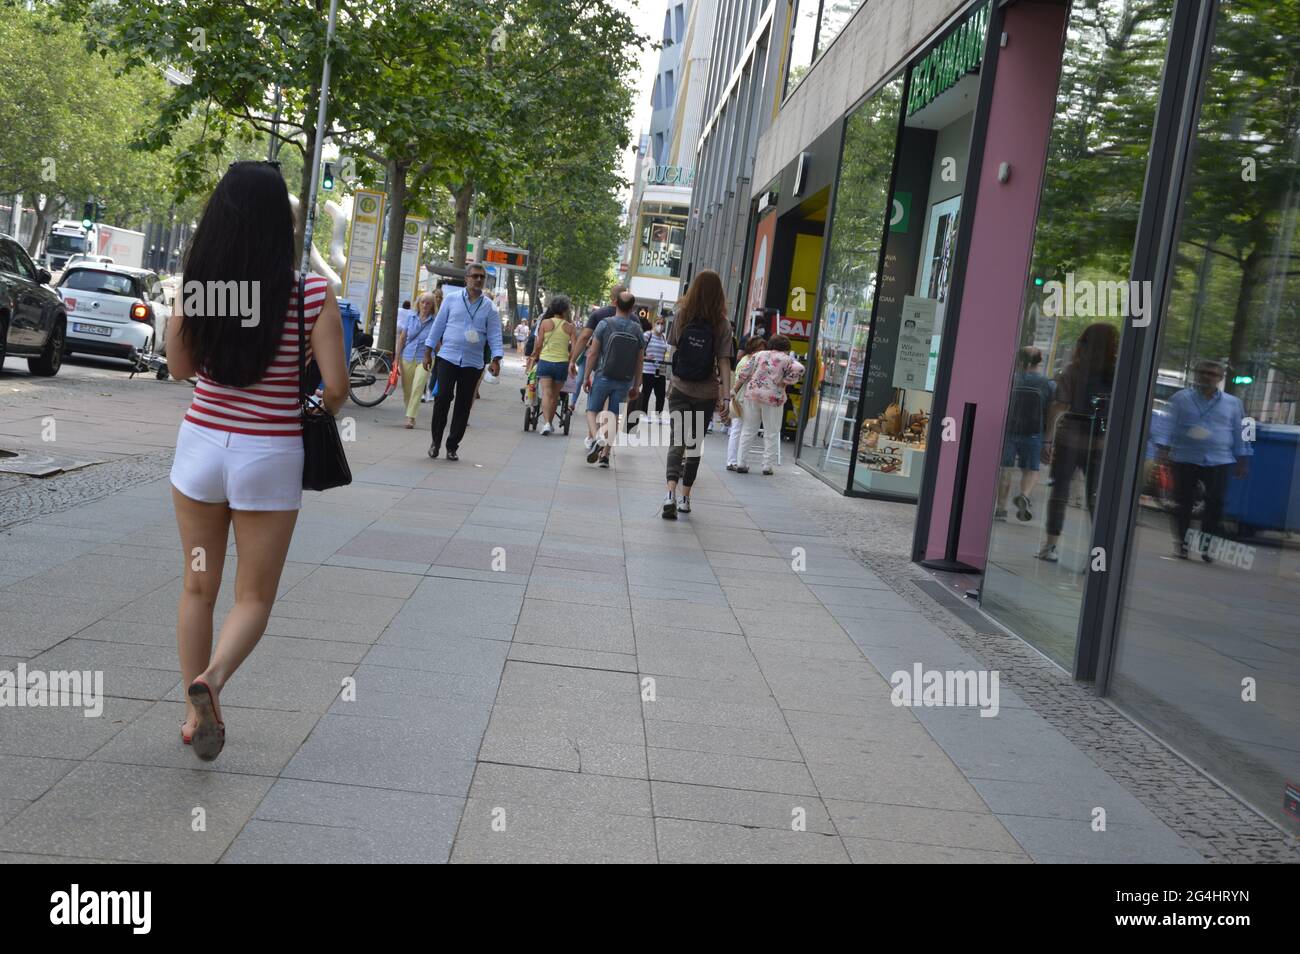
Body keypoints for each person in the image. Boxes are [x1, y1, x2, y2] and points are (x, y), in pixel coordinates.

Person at [164, 161, 347, 762]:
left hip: (200, 456)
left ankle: (195, 720)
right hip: (267, 457)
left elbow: (180, 369)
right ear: (283, 223)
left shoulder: (203, 286)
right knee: (253, 598)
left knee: (197, 586)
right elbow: (338, 388)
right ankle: (212, 682)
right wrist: (309, 404)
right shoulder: (312, 293)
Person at [1038, 322, 1118, 564]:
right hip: (1102, 443)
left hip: (1070, 439)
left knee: (1060, 492)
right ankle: (1099, 555)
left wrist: (1048, 439)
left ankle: (1051, 546)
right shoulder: (1119, 373)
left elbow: (1059, 406)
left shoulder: (1073, 371)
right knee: (1098, 498)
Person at [1159, 359, 1252, 561]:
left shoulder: (1233, 403)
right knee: (1183, 502)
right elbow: (1167, 426)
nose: (1207, 377)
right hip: (1185, 457)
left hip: (1219, 459)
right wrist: (1163, 450)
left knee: (1215, 504)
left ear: (1219, 378)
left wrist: (1243, 458)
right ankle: (1182, 545)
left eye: (1212, 374)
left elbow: (1242, 431)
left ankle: (1206, 546)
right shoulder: (1180, 399)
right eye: (1203, 372)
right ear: (1195, 374)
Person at [661, 270, 734, 518]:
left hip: (680, 388)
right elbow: (724, 362)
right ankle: (685, 498)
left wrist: (672, 382)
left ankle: (669, 493)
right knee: (693, 446)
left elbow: (673, 352)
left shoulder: (682, 315)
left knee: (676, 442)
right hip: (706, 392)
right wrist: (726, 397)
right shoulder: (722, 323)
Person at [421, 263, 502, 461]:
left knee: (464, 404)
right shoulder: (452, 300)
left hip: (473, 363)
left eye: (482, 277)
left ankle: (452, 446)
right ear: (466, 278)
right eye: (474, 276)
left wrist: (496, 359)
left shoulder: (489, 307)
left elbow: (494, 335)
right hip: (448, 356)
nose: (478, 280)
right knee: (443, 398)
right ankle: (436, 441)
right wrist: (428, 351)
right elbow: (438, 326)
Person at [583, 290, 644, 468]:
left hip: (603, 375)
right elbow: (640, 359)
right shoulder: (637, 329)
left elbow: (593, 352)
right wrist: (636, 384)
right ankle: (605, 456)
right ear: (632, 308)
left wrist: (587, 376)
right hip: (624, 379)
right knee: (613, 416)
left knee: (591, 411)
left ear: (615, 303)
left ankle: (596, 437)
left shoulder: (604, 324)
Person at [995, 346, 1054, 521]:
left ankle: (1000, 509)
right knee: (1031, 470)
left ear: (1019, 360)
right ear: (1039, 362)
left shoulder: (1010, 379)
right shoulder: (1047, 384)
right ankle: (1024, 495)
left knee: (1006, 469)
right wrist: (1049, 439)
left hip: (1009, 431)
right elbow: (1051, 412)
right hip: (1034, 434)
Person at [734, 335, 804, 475]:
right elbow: (800, 368)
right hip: (773, 398)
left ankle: (741, 462)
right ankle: (767, 466)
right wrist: (786, 380)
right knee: (771, 432)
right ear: (786, 347)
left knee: (748, 430)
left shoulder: (759, 354)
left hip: (753, 395)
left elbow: (744, 373)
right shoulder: (787, 359)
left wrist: (734, 390)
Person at [570, 283, 628, 446]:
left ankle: (593, 437)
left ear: (611, 297)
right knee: (612, 411)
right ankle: (604, 449)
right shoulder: (634, 319)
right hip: (624, 372)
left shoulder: (599, 314)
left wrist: (573, 360)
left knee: (596, 405)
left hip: (601, 368)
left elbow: (584, 338)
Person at [532, 295, 576, 435]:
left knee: (546, 393)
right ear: (565, 310)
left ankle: (546, 424)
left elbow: (538, 344)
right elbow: (575, 347)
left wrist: (535, 355)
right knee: (555, 396)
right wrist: (571, 360)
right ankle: (549, 423)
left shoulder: (545, 323)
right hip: (561, 364)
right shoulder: (570, 327)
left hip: (545, 362)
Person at [395, 291, 436, 428]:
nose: (425, 305)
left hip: (426, 358)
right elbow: (402, 338)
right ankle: (409, 411)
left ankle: (410, 417)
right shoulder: (410, 317)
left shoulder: (435, 321)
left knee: (418, 386)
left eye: (428, 303)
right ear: (418, 303)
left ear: (432, 306)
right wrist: (396, 358)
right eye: (423, 302)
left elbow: (437, 342)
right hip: (407, 356)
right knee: (407, 389)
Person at [727, 336, 767, 470]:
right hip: (742, 399)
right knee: (739, 430)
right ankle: (733, 461)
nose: (762, 352)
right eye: (760, 349)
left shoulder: (748, 360)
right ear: (753, 349)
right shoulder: (747, 362)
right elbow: (743, 380)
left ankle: (735, 460)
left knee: (739, 430)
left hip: (743, 399)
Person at [640, 317, 670, 423]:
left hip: (660, 370)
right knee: (646, 392)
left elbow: (665, 352)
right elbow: (638, 350)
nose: (660, 325)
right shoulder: (647, 335)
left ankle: (659, 416)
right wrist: (645, 357)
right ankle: (643, 414)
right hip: (648, 370)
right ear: (654, 323)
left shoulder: (663, 337)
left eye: (662, 324)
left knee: (661, 394)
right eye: (658, 323)